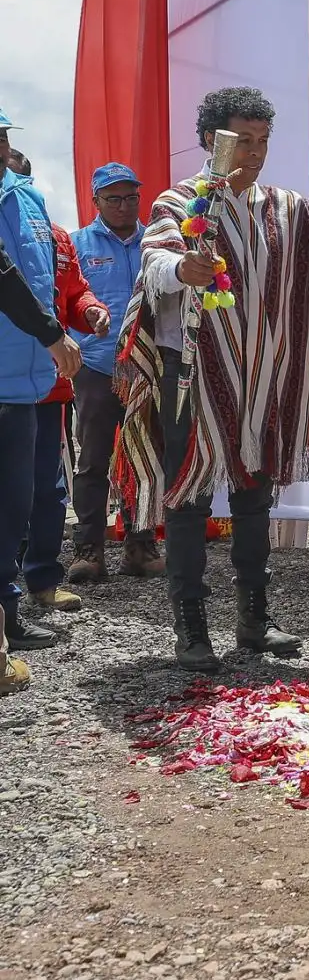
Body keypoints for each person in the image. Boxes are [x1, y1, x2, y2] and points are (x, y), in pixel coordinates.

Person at [112, 87, 309, 671]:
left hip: (262, 371)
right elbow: (157, 258)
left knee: (254, 494)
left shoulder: (280, 206)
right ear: (210, 139)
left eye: (264, 141)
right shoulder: (181, 200)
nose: (256, 153)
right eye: (244, 140)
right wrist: (180, 267)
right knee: (186, 493)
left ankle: (253, 621)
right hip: (188, 371)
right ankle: (191, 628)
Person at [0, 113, 85, 695]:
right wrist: (53, 336)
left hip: (25, 381)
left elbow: (40, 277)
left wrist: (55, 336)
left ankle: (7, 621)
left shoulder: (26, 202)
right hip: (13, 373)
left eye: (4, 136)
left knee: (18, 505)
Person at [10, 222, 110, 637]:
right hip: (7, 385)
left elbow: (72, 292)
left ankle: (43, 581)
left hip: (49, 386)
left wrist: (89, 310)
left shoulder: (55, 238)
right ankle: (7, 592)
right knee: (10, 492)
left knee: (47, 491)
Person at [66, 163, 163, 584]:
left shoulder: (158, 243)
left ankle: (140, 547)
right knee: (91, 462)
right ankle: (89, 551)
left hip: (148, 368)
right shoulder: (76, 244)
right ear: (95, 202)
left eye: (131, 197)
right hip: (96, 367)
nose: (124, 206)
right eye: (113, 199)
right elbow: (65, 298)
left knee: (145, 460)